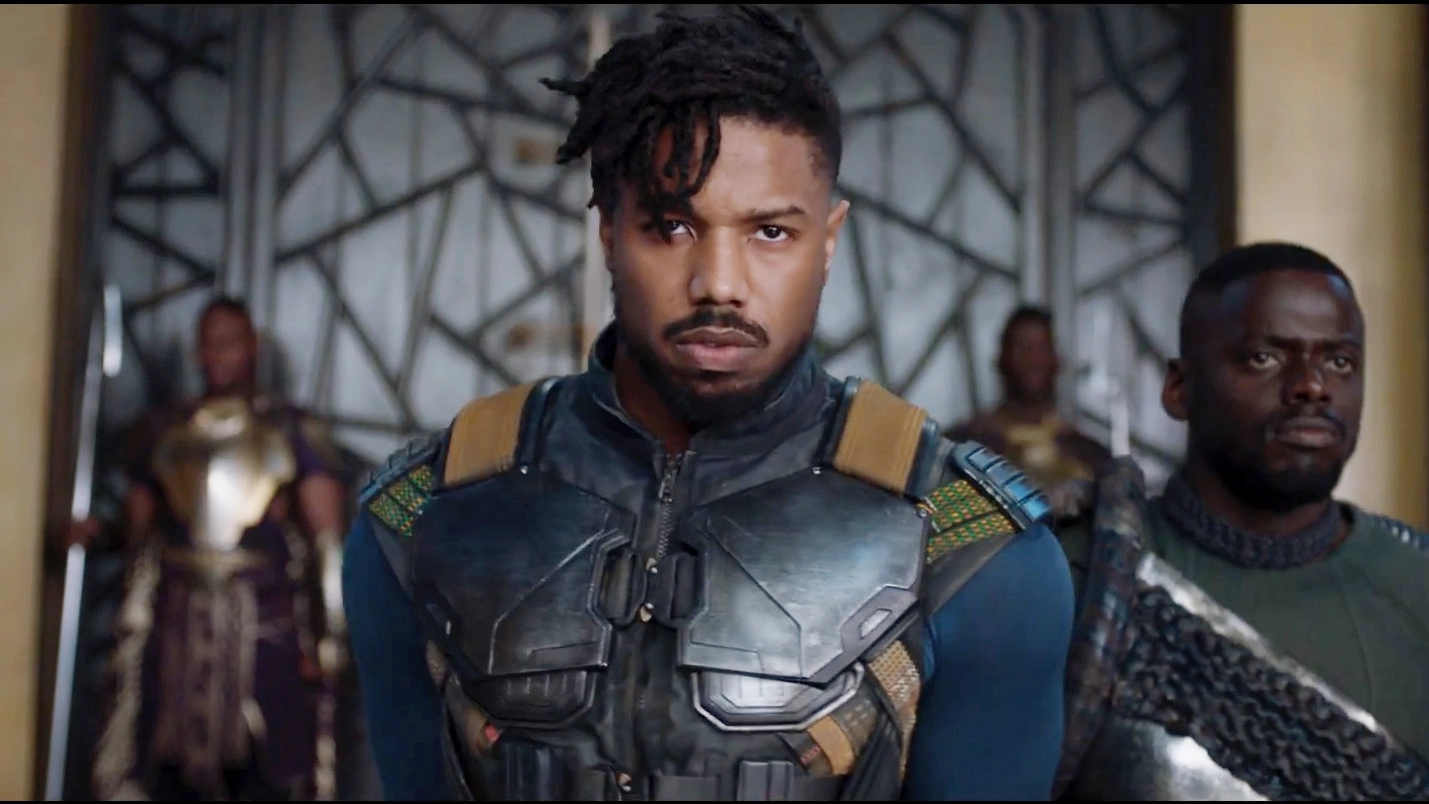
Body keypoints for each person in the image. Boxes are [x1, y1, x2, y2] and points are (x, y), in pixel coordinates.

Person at [344, 6, 1073, 801]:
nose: (719, 284)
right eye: (671, 226)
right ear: (608, 232)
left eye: (770, 233)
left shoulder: (972, 547)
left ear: (829, 239)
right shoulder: (422, 513)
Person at [1053, 242, 1429, 800]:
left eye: (1339, 362)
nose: (1312, 385)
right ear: (1179, 388)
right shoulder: (1078, 571)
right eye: (1263, 358)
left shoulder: (1417, 580)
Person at [70, 297, 350, 801]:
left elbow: (328, 540)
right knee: (164, 770)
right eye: (208, 345)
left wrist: (328, 638)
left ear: (251, 346)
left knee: (271, 770)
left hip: (265, 627)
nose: (217, 356)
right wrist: (103, 534)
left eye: (229, 343)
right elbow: (139, 534)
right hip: (176, 627)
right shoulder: (165, 429)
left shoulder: (290, 428)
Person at [947, 305, 1112, 491]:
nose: (1033, 359)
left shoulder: (1088, 454)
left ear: (1057, 361)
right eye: (1023, 348)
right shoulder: (963, 447)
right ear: (1000, 360)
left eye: (1042, 348)